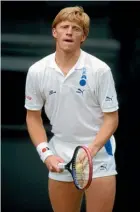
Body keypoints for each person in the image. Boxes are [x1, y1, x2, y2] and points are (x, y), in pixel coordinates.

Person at [25, 6, 119, 212]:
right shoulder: (37, 71)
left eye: (76, 28)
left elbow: (111, 119)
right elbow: (33, 117)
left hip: (98, 156)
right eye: (64, 26)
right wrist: (45, 153)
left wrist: (91, 150)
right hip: (60, 155)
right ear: (54, 32)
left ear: (83, 36)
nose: (69, 32)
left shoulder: (100, 70)